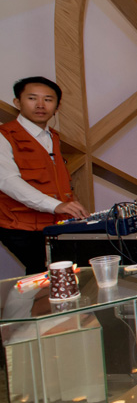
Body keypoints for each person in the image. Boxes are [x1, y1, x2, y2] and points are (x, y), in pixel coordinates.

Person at [0, 77, 87, 274]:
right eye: (32, 98)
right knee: (45, 274)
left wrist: (76, 209)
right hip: (20, 226)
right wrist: (56, 205)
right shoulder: (4, 135)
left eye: (48, 99)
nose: (40, 105)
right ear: (17, 103)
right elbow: (7, 181)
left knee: (60, 274)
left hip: (55, 223)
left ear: (57, 107)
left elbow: (60, 181)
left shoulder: (53, 136)